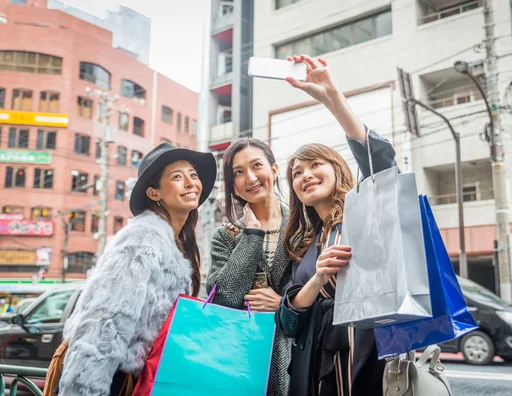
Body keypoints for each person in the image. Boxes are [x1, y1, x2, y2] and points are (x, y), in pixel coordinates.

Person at [44, 142, 216, 396]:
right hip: (104, 377)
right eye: (177, 177)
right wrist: (87, 388)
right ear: (154, 193)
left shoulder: (175, 242)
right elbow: (105, 320)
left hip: (132, 376)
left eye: (193, 175)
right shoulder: (143, 238)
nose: (191, 183)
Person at [275, 55, 397, 396]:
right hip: (313, 369)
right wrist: (317, 279)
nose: (305, 175)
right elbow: (287, 323)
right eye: (296, 173)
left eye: (315, 165)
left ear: (337, 169)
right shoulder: (304, 243)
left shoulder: (365, 213)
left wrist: (331, 97)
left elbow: (383, 166)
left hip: (369, 356)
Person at [207, 138, 291, 396]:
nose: (251, 177)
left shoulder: (303, 227)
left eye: (257, 166)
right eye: (239, 173)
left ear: (274, 171)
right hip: (241, 362)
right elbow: (222, 298)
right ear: (232, 185)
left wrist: (284, 304)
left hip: (297, 362)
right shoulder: (226, 236)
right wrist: (252, 234)